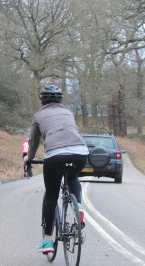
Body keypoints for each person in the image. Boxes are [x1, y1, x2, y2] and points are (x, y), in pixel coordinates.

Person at [24, 85, 88, 254]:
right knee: (73, 177)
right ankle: (78, 208)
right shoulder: (67, 112)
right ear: (61, 100)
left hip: (56, 154)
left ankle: (47, 241)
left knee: (51, 195)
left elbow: (34, 141)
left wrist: (29, 158)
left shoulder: (39, 115)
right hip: (80, 151)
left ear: (41, 100)